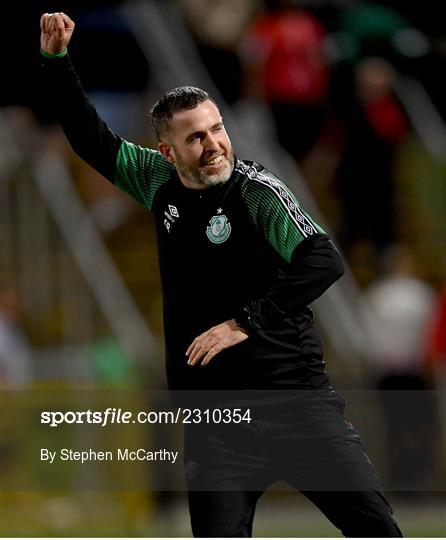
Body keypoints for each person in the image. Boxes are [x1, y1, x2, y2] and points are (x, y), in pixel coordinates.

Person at [39, 12, 402, 537]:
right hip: (218, 429)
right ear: (168, 152)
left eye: (217, 130)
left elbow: (323, 259)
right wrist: (56, 60)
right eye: (195, 138)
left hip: (298, 409)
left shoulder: (258, 193)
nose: (213, 145)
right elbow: (89, 136)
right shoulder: (155, 180)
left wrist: (243, 322)